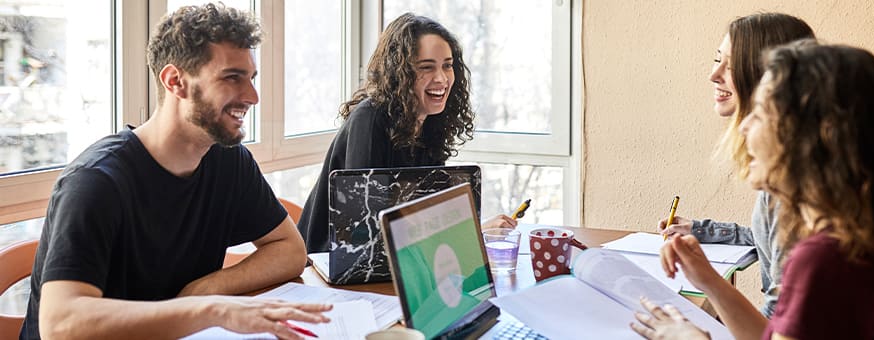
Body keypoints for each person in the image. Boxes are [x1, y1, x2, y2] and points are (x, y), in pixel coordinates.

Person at [20, 4, 331, 339]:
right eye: (232, 77)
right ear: (175, 81)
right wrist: (211, 309)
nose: (253, 96)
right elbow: (60, 325)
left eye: (251, 78)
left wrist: (204, 291)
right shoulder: (95, 182)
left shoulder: (228, 160)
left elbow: (290, 250)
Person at [634, 41, 874, 339]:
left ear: (809, 138)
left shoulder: (823, 260)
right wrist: (709, 281)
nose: (744, 127)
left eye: (760, 113)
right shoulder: (856, 240)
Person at [297, 12, 515, 253]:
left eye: (447, 65)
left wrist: (472, 232)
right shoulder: (369, 119)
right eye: (426, 67)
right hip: (326, 261)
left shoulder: (430, 122)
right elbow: (362, 229)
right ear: (399, 73)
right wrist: (473, 233)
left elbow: (426, 217)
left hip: (390, 258)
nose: (442, 78)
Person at [657, 13, 814, 316]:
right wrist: (703, 230)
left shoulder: (791, 183)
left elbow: (781, 321)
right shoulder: (790, 169)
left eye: (730, 66)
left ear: (769, 78)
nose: (714, 75)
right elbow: (773, 242)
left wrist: (695, 331)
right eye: (717, 60)